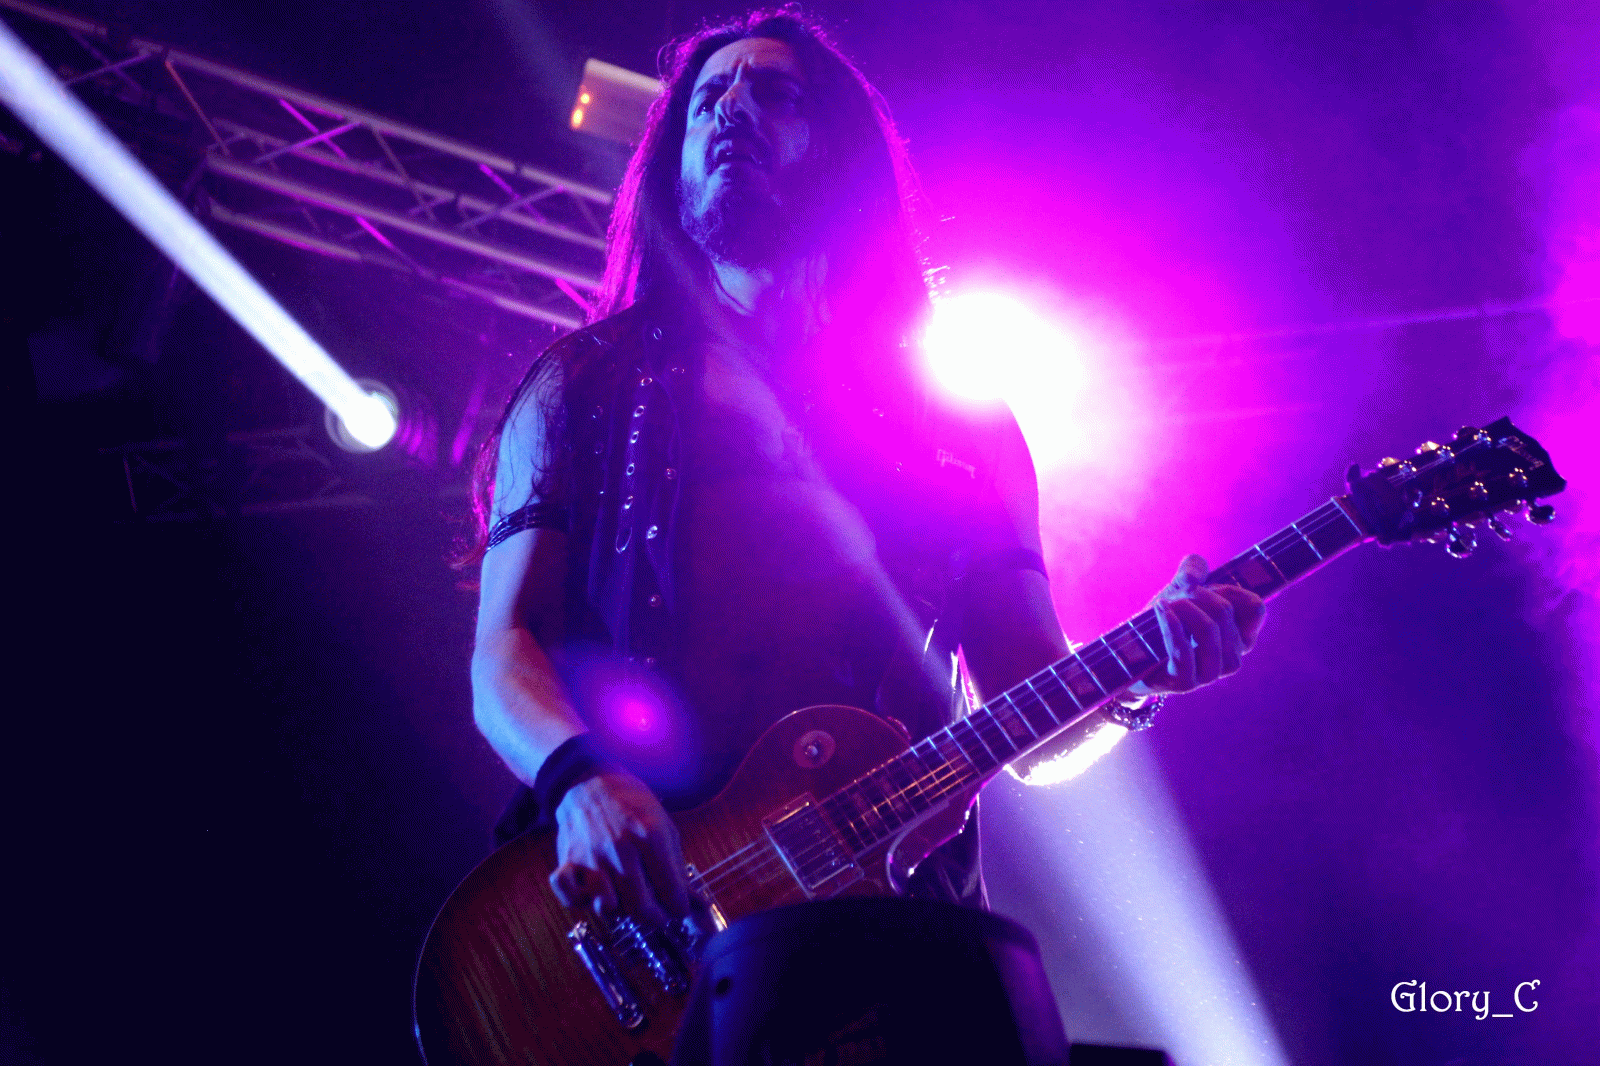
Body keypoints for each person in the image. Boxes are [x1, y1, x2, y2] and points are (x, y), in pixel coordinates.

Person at [466, 9, 1264, 931]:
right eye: (708, 99)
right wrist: (580, 781)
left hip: (893, 922)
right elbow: (503, 650)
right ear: (671, 166)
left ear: (843, 156)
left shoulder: (960, 427)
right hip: (644, 911)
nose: (731, 111)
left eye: (775, 93)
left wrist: (1137, 679)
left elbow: (1029, 712)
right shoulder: (587, 383)